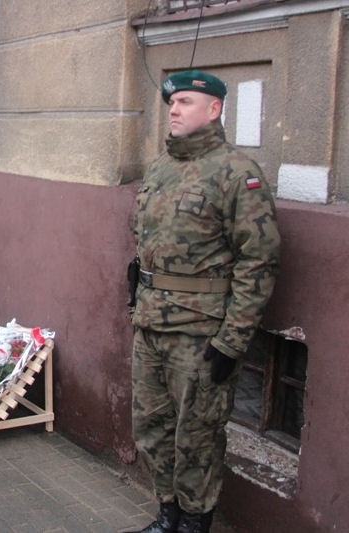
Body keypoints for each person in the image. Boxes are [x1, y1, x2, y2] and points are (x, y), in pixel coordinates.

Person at [129, 70, 280, 533]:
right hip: (151, 324)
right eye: (172, 103)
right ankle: (167, 514)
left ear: (214, 109)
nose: (173, 110)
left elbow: (258, 262)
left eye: (186, 102)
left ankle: (195, 523)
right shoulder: (159, 167)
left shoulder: (237, 172)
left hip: (200, 332)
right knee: (152, 430)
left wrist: (232, 342)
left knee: (197, 435)